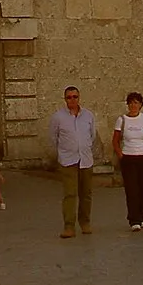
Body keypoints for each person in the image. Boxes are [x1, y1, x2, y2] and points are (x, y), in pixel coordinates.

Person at [48, 86, 98, 238]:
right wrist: (64, 151)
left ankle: (85, 222)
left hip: (86, 159)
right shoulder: (58, 117)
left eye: (75, 96)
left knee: (86, 193)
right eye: (69, 97)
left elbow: (93, 135)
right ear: (65, 99)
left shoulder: (88, 116)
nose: (72, 99)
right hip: (68, 160)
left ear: (79, 97)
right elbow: (53, 137)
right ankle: (69, 226)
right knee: (70, 194)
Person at [113, 91, 143, 230]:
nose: (133, 105)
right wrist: (120, 154)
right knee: (131, 189)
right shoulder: (122, 120)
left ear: (141, 105)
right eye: (131, 103)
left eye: (136, 103)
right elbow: (115, 140)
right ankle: (134, 219)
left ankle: (142, 216)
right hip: (128, 157)